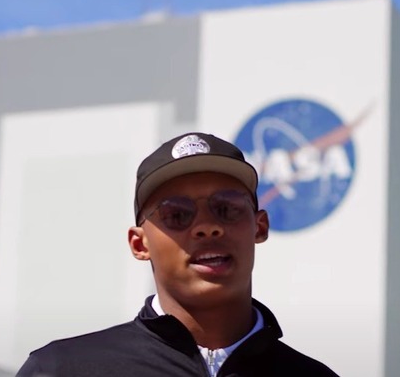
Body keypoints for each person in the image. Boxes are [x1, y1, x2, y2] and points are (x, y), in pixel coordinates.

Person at [17, 132, 338, 376]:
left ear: (260, 227)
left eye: (226, 208)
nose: (207, 226)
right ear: (139, 244)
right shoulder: (61, 369)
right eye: (177, 214)